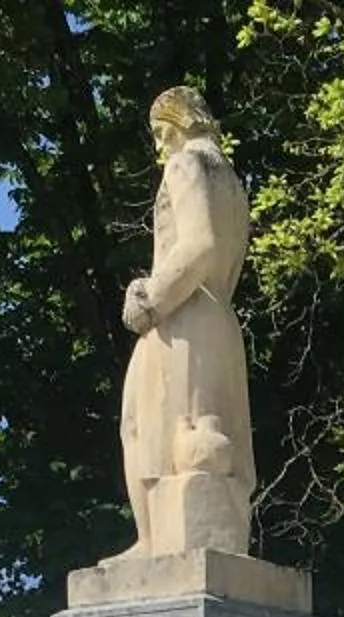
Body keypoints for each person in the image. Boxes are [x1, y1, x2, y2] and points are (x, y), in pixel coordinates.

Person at [109, 85, 257, 560]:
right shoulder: (231, 179)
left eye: (160, 132)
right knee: (197, 439)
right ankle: (169, 541)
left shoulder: (187, 164)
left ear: (180, 123)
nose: (158, 146)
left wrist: (150, 299)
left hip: (184, 317)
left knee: (146, 428)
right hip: (217, 315)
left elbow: (199, 246)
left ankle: (155, 542)